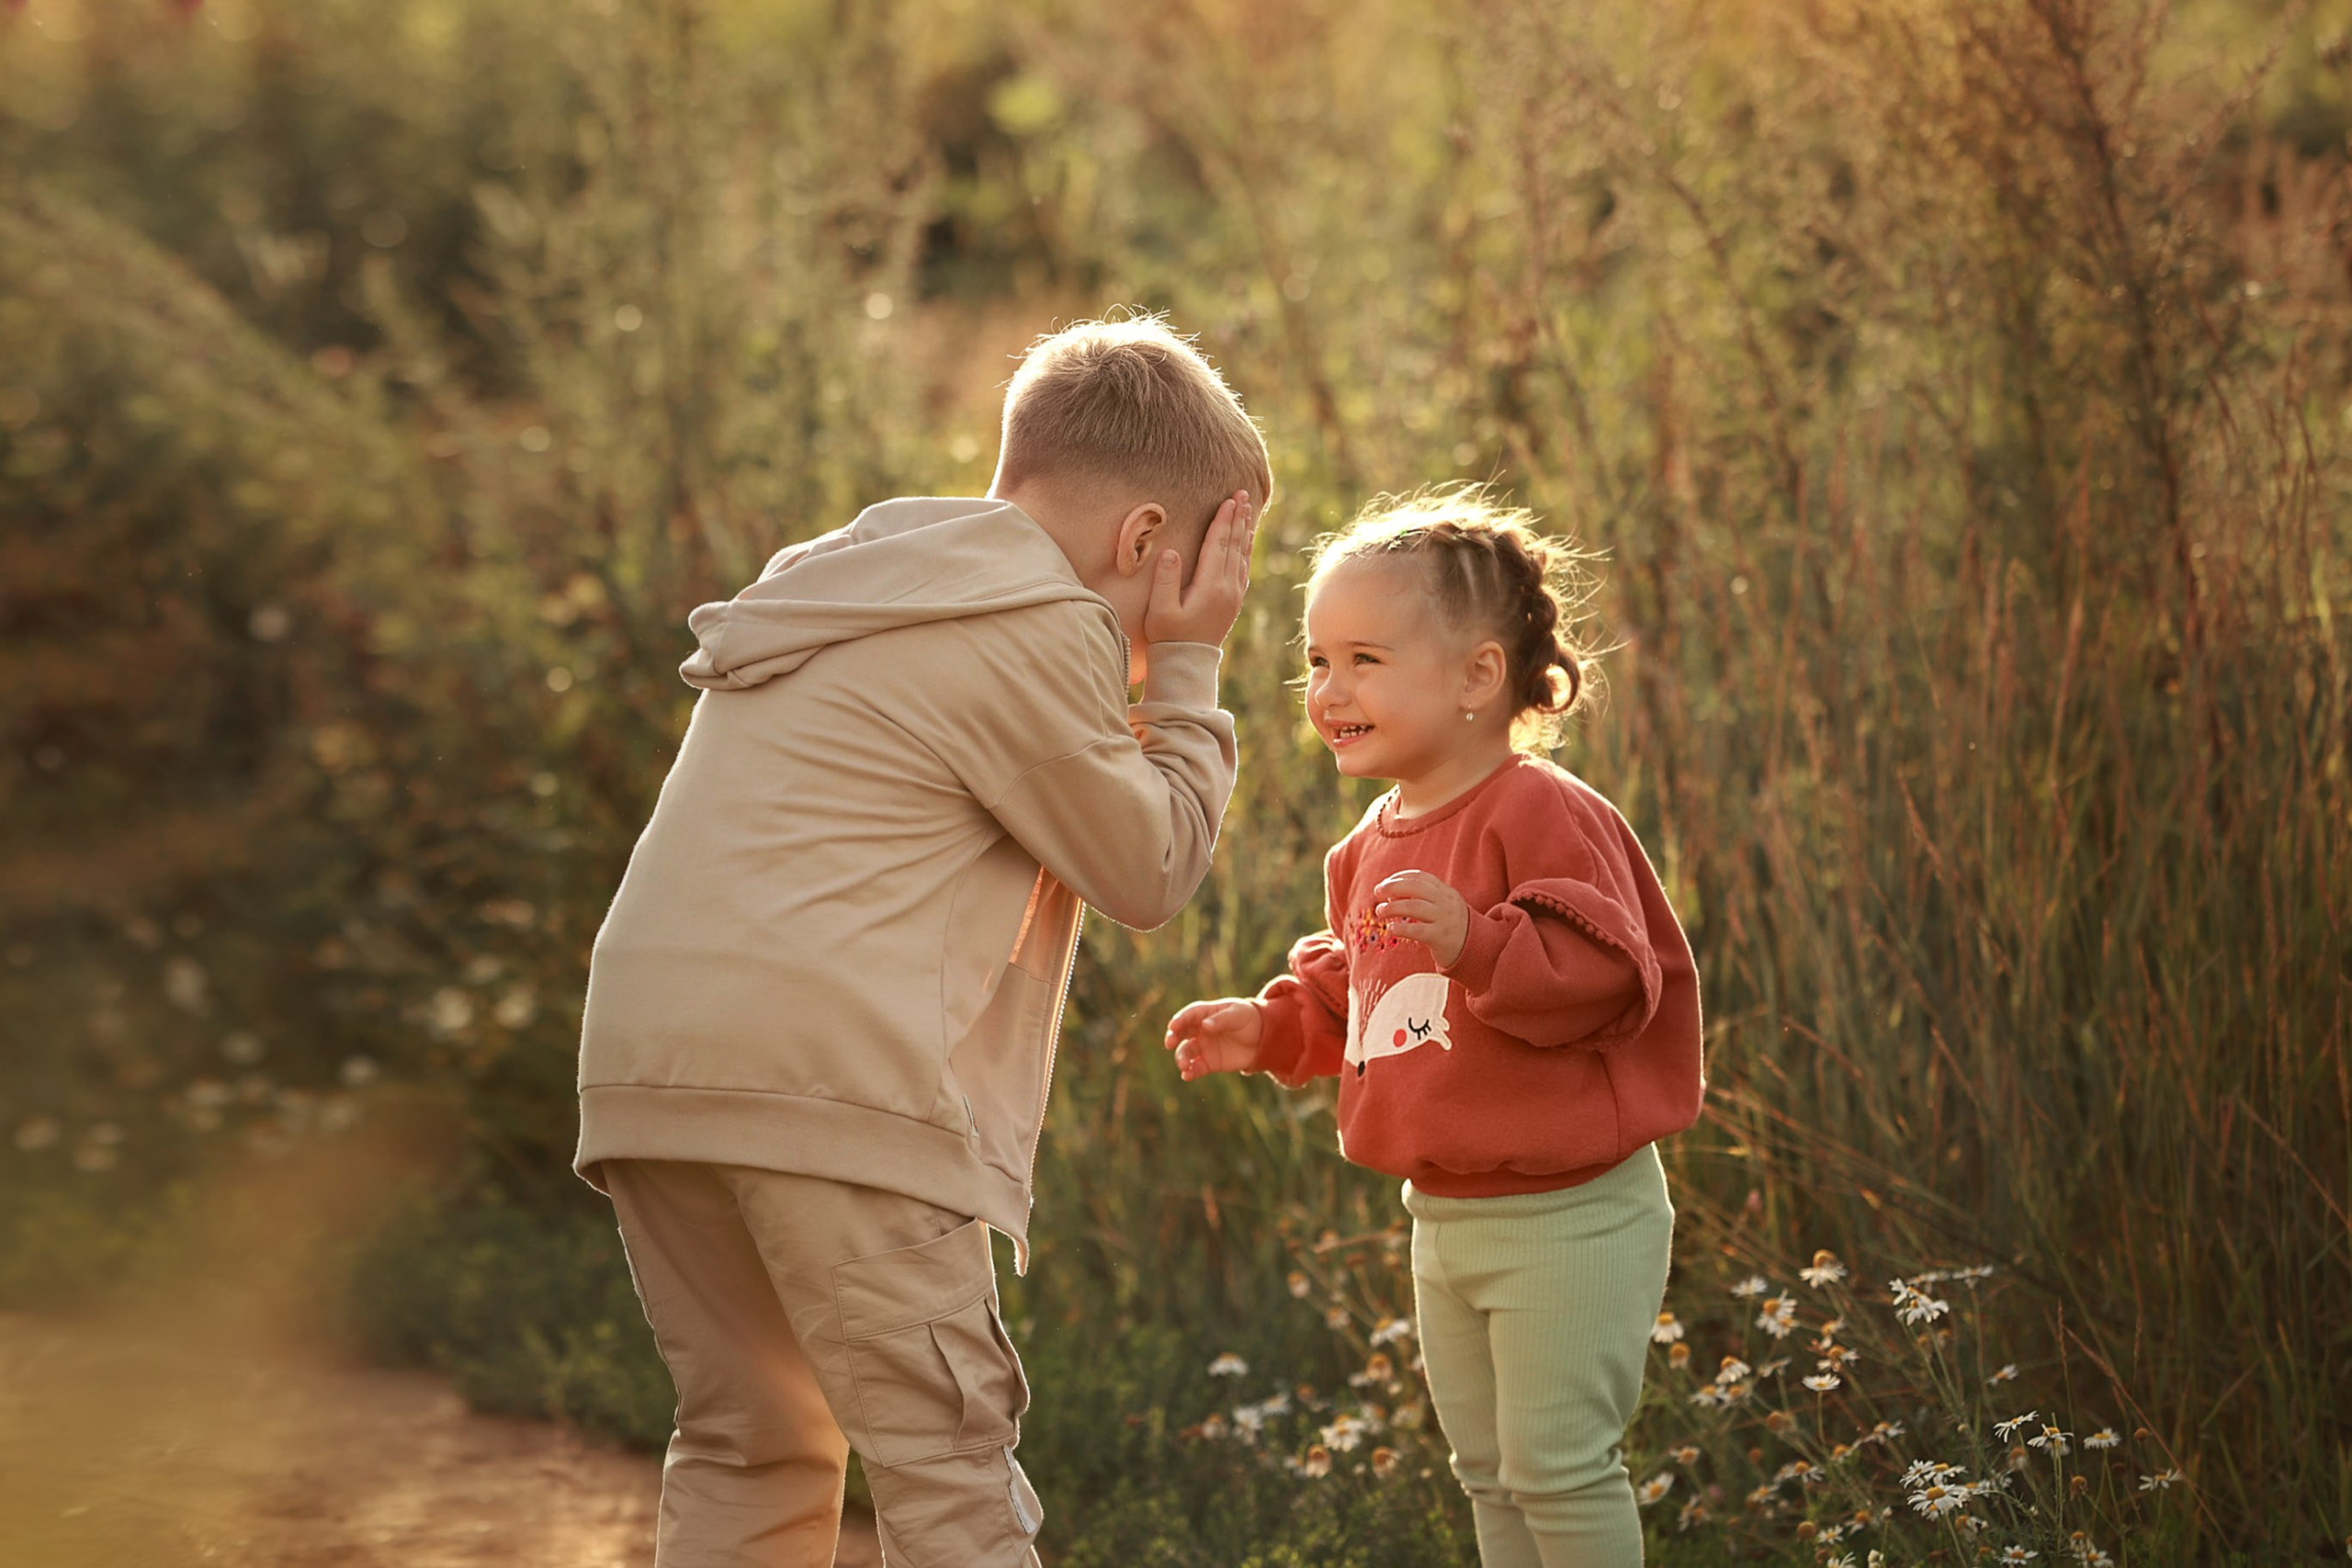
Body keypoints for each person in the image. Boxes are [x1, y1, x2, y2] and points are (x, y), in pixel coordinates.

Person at [576, 315, 1268, 1567]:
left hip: (650, 1060)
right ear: (1145, 539)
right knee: (948, 1464)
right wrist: (1190, 664)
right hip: (834, 1072)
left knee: (750, 1441)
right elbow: (1149, 866)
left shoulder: (853, 581)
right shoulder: (1037, 618)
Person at [1163, 489, 1702, 1568]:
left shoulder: (1540, 810)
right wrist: (1269, 1032)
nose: (1329, 689)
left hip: (1571, 1216)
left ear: (1476, 677)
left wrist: (1476, 943)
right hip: (1445, 1219)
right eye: (1317, 662)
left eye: (1364, 658)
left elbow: (1607, 980)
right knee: (1489, 1472)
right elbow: (1363, 1006)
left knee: (1559, 1465)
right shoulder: (1366, 846)